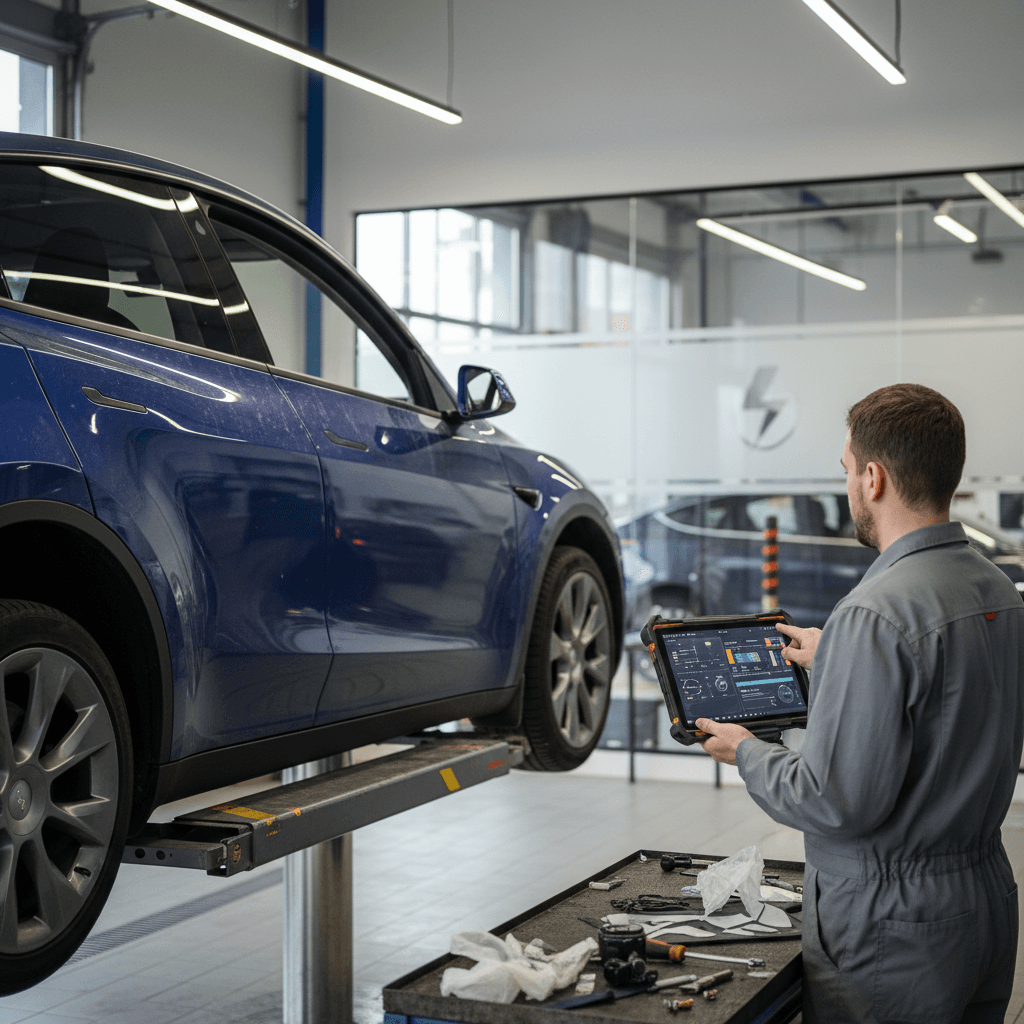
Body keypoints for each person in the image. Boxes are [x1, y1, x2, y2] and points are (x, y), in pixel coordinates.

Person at [696, 383, 1024, 1024]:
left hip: (893, 927)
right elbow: (948, 696)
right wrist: (839, 657)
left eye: (846, 468)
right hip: (984, 897)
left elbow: (835, 800)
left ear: (873, 477)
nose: (846, 483)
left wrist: (748, 752)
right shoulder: (996, 587)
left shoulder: (875, 613)